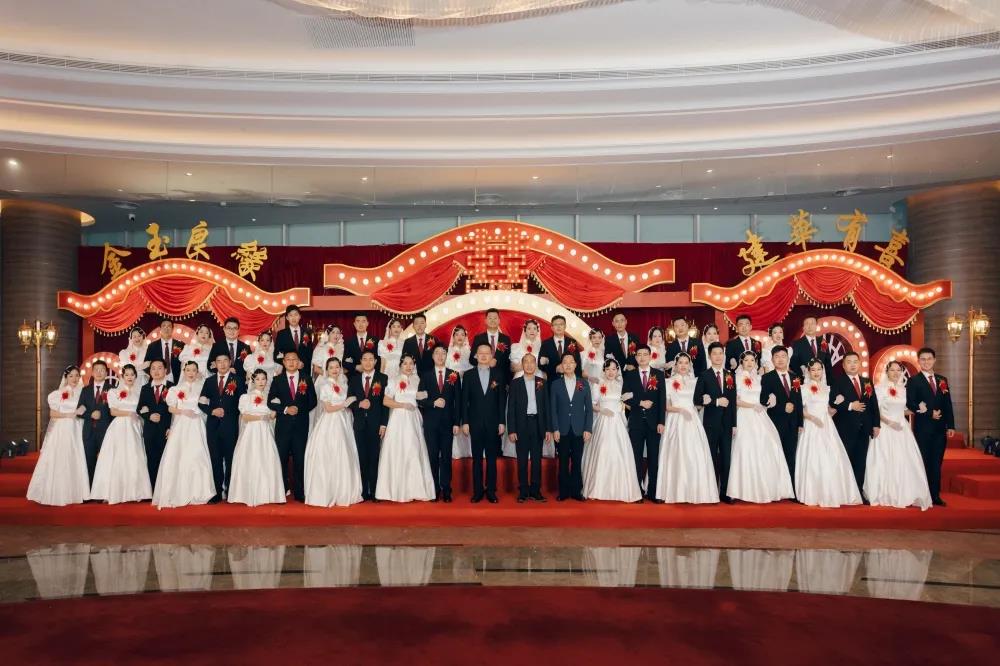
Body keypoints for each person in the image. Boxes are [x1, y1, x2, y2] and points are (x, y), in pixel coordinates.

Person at [728, 352, 795, 503]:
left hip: (760, 415)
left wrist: (769, 400)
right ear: (741, 362)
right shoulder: (736, 378)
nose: (749, 363)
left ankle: (766, 487)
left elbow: (763, 398)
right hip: (745, 415)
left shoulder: (759, 378)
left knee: (767, 446)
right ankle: (740, 489)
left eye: (752, 360)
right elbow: (735, 401)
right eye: (746, 360)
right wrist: (753, 406)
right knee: (745, 448)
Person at [867, 361, 933, 510]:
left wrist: (919, 409)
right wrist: (889, 422)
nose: (896, 373)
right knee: (885, 459)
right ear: (887, 372)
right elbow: (875, 410)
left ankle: (905, 493)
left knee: (905, 460)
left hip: (902, 428)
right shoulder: (879, 389)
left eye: (898, 370)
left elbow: (903, 410)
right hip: (885, 428)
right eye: (892, 370)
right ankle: (885, 493)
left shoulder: (903, 389)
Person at [797, 359, 863, 507]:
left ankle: (832, 492)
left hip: (827, 424)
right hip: (811, 425)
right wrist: (813, 418)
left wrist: (837, 405)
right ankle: (812, 493)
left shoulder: (827, 388)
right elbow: (800, 409)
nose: (816, 372)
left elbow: (829, 410)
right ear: (809, 372)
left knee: (831, 456)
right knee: (814, 457)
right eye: (813, 370)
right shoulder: (804, 388)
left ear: (823, 371)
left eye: (819, 369)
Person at [153, 361, 216, 509]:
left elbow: (206, 405)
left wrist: (197, 413)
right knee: (179, 455)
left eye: (194, 370)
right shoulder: (175, 389)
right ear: (184, 371)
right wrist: (183, 412)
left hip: (197, 424)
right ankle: (177, 492)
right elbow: (170, 408)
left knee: (197, 455)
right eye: (188, 370)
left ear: (197, 372)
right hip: (181, 424)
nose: (191, 373)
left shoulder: (202, 387)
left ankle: (199, 492)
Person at [657, 353, 719, 504]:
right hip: (676, 420)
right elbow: (666, 406)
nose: (683, 365)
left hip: (692, 420)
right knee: (676, 453)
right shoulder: (668, 382)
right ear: (675, 365)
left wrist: (703, 402)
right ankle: (674, 491)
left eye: (686, 363)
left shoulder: (696, 381)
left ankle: (696, 491)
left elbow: (697, 403)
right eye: (680, 363)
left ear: (690, 365)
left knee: (694, 453)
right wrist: (680, 410)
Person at [26, 366, 89, 506]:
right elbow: (53, 414)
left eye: (77, 375)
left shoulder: (83, 393)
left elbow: (86, 409)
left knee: (76, 456)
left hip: (77, 429)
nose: (74, 379)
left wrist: (81, 411)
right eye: (71, 376)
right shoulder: (57, 394)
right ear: (66, 377)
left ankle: (76, 492)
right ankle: (57, 492)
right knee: (60, 457)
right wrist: (68, 415)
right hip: (62, 429)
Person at [376, 355, 436, 502]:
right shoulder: (393, 380)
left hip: (413, 418)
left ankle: (415, 489)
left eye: (411, 364)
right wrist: (402, 405)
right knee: (398, 450)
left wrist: (422, 397)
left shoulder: (417, 380)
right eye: (405, 364)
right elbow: (386, 401)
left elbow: (422, 398)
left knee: (414, 449)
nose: (408, 366)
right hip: (398, 418)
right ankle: (396, 490)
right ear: (400, 366)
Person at [89, 364, 151, 503]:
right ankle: (112, 491)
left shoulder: (140, 392)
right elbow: (113, 411)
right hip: (119, 427)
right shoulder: (114, 392)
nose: (129, 377)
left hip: (134, 427)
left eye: (132, 374)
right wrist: (129, 413)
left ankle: (134, 492)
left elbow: (142, 410)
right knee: (117, 456)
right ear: (122, 376)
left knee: (134, 456)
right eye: (126, 374)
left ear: (136, 376)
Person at [304, 358, 362, 507]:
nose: (335, 370)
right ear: (327, 370)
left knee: (344, 453)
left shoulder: (344, 384)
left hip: (344, 421)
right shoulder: (325, 387)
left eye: (337, 367)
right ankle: (327, 491)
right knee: (331, 452)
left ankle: (343, 491)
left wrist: (350, 405)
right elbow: (328, 408)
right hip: (331, 421)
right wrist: (344, 404)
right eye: (331, 367)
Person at [583, 359, 642, 503]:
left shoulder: (621, 385)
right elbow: (592, 404)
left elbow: (624, 404)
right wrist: (602, 410)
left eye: (614, 369)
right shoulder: (598, 384)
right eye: (608, 369)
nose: (611, 372)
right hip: (603, 421)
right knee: (602, 451)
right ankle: (597, 489)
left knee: (620, 452)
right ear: (604, 370)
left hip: (618, 422)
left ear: (617, 371)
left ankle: (622, 490)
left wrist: (629, 401)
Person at [228, 369, 286, 507]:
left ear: (267, 381)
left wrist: (273, 413)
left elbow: (272, 416)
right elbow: (245, 417)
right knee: (250, 458)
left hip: (265, 432)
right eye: (258, 379)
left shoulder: (271, 398)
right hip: (251, 432)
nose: (261, 382)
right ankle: (246, 494)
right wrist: (261, 418)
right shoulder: (246, 397)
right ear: (253, 381)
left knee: (267, 459)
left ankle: (268, 494)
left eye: (263, 379)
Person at [905, 347, 954, 507]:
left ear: (934, 360)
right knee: (924, 462)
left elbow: (947, 404)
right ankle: (923, 495)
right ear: (919, 361)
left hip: (940, 429)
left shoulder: (942, 380)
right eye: (923, 359)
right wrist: (928, 413)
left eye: (929, 359)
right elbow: (910, 403)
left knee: (936, 463)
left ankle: (935, 495)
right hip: (923, 429)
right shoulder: (913, 381)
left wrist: (951, 425)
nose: (926, 362)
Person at [267, 350, 317, 502]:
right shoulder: (277, 380)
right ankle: (282, 490)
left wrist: (299, 410)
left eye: (294, 359)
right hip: (283, 425)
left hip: (301, 425)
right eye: (288, 359)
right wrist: (285, 409)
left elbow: (313, 401)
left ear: (299, 362)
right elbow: (271, 401)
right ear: (283, 362)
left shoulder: (306, 378)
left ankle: (299, 492)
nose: (291, 362)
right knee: (281, 458)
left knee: (299, 458)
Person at [830, 351, 880, 501]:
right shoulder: (837, 381)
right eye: (849, 362)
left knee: (861, 462)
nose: (852, 365)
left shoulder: (866, 381)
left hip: (864, 428)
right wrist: (850, 405)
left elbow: (874, 404)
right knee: (846, 460)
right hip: (845, 428)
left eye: (855, 362)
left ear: (859, 364)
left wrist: (876, 424)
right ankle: (845, 493)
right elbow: (832, 402)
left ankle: (858, 493)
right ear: (844, 365)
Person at [461, 343, 506, 503]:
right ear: (476, 356)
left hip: (493, 423)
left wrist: (502, 422)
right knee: (477, 459)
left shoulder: (498, 374)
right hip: (475, 423)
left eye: (487, 353)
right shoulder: (469, 375)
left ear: (491, 356)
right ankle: (478, 491)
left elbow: (501, 400)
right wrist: (465, 422)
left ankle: (491, 491)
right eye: (481, 353)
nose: (484, 356)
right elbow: (464, 401)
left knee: (492, 459)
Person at [199, 352, 246, 502]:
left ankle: (231, 490)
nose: (222, 364)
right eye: (219, 361)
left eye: (225, 360)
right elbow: (201, 402)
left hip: (230, 425)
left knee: (231, 459)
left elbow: (243, 402)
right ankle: (217, 492)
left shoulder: (237, 380)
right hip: (213, 426)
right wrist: (212, 411)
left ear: (230, 362)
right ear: (215, 364)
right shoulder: (209, 381)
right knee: (215, 459)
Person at [694, 342, 737, 503]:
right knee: (710, 456)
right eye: (715, 353)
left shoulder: (729, 375)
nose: (718, 356)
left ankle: (725, 492)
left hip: (727, 423)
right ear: (709, 356)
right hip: (711, 423)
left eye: (720, 353)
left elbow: (732, 402)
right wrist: (716, 402)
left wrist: (734, 424)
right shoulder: (704, 375)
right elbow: (697, 399)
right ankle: (711, 492)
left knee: (726, 458)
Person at [622, 344, 665, 502]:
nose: (642, 357)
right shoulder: (630, 375)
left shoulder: (658, 374)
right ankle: (637, 491)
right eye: (639, 354)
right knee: (636, 457)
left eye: (645, 354)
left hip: (654, 423)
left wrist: (661, 421)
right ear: (635, 357)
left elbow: (661, 399)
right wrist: (640, 403)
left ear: (650, 356)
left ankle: (653, 492)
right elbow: (625, 396)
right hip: (636, 422)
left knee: (654, 458)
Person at [506, 353, 551, 502]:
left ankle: (536, 491)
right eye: (526, 362)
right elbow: (511, 408)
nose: (529, 365)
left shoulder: (542, 382)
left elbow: (547, 407)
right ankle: (523, 491)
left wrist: (548, 429)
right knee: (522, 460)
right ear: (522, 364)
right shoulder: (515, 383)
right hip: (521, 425)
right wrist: (512, 430)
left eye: (532, 362)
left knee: (537, 460)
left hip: (538, 424)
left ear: (536, 364)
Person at [418, 345, 461, 502]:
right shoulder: (426, 376)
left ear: (446, 355)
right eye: (437, 353)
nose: (440, 356)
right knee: (433, 456)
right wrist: (433, 403)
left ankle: (447, 489)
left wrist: (457, 422)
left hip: (448, 423)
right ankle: (434, 489)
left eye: (443, 353)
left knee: (446, 457)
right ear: (432, 356)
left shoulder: (454, 375)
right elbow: (420, 399)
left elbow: (458, 401)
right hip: (431, 423)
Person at [759, 345, 803, 491]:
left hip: (793, 423)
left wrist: (800, 423)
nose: (780, 359)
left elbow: (798, 401)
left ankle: (791, 490)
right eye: (777, 357)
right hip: (775, 422)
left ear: (788, 358)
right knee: (775, 456)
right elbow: (763, 400)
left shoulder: (795, 377)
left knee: (791, 455)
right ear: (772, 360)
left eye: (783, 356)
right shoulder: (767, 378)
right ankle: (775, 489)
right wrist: (781, 406)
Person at [550, 354, 593, 501]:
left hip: (579, 428)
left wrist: (588, 429)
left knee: (577, 460)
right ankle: (563, 492)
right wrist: (555, 428)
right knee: (562, 461)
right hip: (561, 429)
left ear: (575, 365)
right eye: (565, 362)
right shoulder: (555, 384)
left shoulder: (584, 383)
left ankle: (576, 491)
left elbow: (589, 409)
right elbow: (553, 409)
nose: (568, 365)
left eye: (571, 362)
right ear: (561, 366)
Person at [348, 350, 389, 501]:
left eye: (371, 359)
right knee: (362, 457)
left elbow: (385, 404)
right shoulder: (354, 379)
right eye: (364, 359)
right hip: (359, 424)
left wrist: (383, 424)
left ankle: (375, 490)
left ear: (375, 362)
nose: (367, 362)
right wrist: (359, 404)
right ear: (361, 361)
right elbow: (349, 400)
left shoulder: (383, 378)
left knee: (374, 457)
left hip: (376, 423)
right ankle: (364, 491)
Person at [78, 359, 115, 485]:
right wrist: (90, 414)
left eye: (102, 370)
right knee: (89, 462)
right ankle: (90, 490)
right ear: (92, 372)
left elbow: (114, 411)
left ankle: (103, 489)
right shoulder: (85, 390)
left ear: (106, 373)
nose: (99, 372)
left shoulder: (112, 390)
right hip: (89, 432)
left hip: (106, 431)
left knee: (106, 462)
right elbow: (79, 410)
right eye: (96, 370)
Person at [137, 359, 172, 488]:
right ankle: (153, 490)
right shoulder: (145, 388)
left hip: (166, 430)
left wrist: (171, 427)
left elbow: (175, 409)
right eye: (153, 368)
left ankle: (165, 489)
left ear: (165, 370)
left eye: (159, 368)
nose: (156, 371)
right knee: (151, 460)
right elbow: (139, 408)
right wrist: (149, 416)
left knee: (167, 460)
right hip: (150, 430)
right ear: (150, 371)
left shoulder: (172, 387)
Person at [446, 325, 473, 459]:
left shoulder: (469, 351)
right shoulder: (448, 351)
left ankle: (468, 449)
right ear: (453, 337)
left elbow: (473, 368)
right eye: (457, 334)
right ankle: (455, 449)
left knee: (467, 412)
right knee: (455, 411)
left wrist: (465, 375)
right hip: (453, 385)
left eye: (462, 334)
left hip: (467, 385)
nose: (460, 337)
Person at [469, 308, 512, 386]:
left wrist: (496, 361)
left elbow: (508, 360)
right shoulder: (478, 338)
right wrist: (486, 362)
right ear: (485, 320)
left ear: (499, 320)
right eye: (490, 318)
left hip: (501, 379)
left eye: (495, 318)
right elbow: (472, 359)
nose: (493, 320)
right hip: (482, 377)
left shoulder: (506, 339)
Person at [539, 315, 582, 382]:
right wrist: (555, 369)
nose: (558, 327)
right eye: (556, 324)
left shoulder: (572, 342)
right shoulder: (546, 344)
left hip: (571, 380)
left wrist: (578, 382)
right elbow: (541, 365)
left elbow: (578, 363)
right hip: (553, 381)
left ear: (565, 326)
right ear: (552, 328)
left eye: (561, 324)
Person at [790, 315, 834, 380]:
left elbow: (828, 363)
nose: (810, 326)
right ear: (803, 327)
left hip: (823, 380)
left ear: (816, 326)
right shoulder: (797, 344)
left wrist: (830, 381)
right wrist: (803, 377)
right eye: (807, 324)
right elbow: (794, 364)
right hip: (806, 381)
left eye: (812, 323)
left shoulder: (823, 342)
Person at [143, 318, 184, 384]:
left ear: (172, 329)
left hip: (176, 381)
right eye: (164, 326)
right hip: (157, 381)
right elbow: (146, 365)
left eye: (169, 326)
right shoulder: (152, 346)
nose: (166, 328)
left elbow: (185, 364)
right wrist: (155, 375)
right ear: (160, 329)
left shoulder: (180, 345)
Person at [273, 304, 314, 369]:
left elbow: (310, 353)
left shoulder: (306, 333)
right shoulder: (281, 334)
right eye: (291, 315)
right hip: (288, 371)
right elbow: (276, 356)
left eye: (296, 315)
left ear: (300, 316)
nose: (293, 318)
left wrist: (303, 363)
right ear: (287, 318)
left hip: (304, 370)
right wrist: (289, 364)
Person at [343, 312, 379, 377]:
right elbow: (343, 362)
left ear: (367, 323)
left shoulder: (376, 340)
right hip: (354, 377)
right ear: (354, 324)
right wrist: (356, 367)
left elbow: (379, 360)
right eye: (358, 321)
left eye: (363, 321)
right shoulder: (348, 342)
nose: (361, 324)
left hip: (372, 376)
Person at [378, 318, 405, 384]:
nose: (396, 329)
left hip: (401, 371)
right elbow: (383, 363)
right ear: (390, 329)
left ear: (401, 329)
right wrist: (380, 379)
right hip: (388, 372)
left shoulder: (405, 343)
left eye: (398, 326)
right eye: (394, 326)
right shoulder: (383, 343)